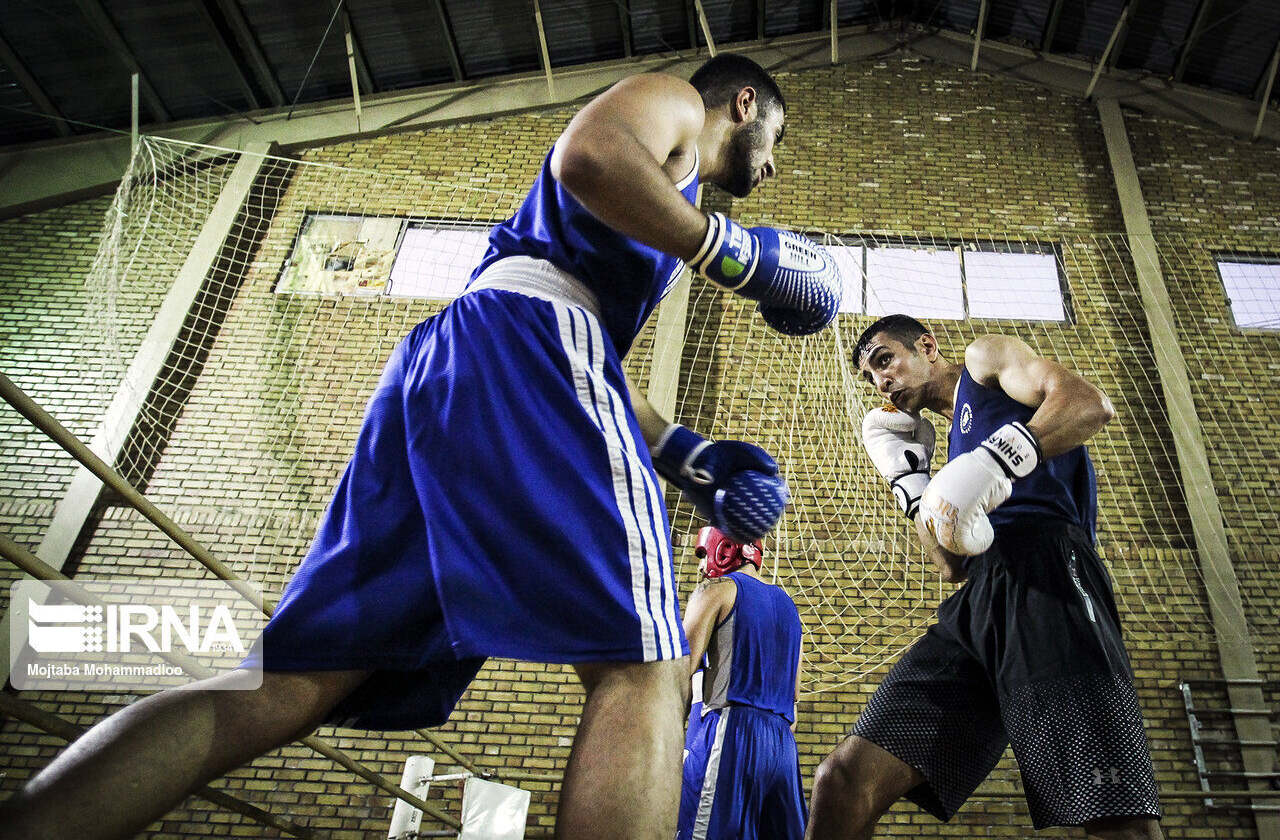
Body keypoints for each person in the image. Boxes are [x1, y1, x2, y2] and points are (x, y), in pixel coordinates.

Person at [0, 55, 841, 840]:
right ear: (744, 104)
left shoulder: (650, 212)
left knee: (285, 684)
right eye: (779, 140)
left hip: (465, 364)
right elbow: (585, 154)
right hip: (527, 342)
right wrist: (727, 254)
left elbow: (591, 359)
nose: (773, 168)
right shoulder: (676, 104)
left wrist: (688, 454)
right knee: (646, 664)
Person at [805, 314, 1163, 840]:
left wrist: (997, 461)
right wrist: (914, 487)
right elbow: (952, 568)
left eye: (886, 360)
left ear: (927, 346)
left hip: (1048, 573)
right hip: (977, 603)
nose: (881, 381)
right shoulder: (947, 445)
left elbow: (1090, 405)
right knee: (841, 779)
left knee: (1114, 816)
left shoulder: (984, 362)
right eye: (871, 376)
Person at [678, 526, 807, 840]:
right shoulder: (790, 608)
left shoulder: (716, 590)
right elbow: (795, 697)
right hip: (783, 748)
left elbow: (676, 677)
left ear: (724, 548)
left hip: (729, 733)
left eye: (702, 553)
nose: (699, 566)